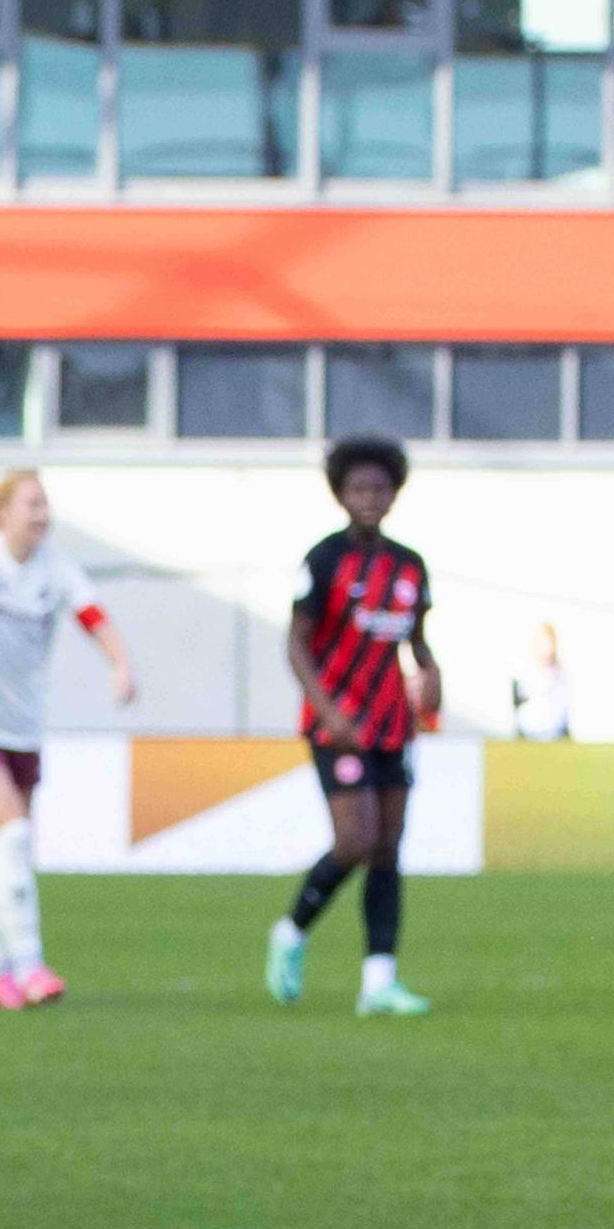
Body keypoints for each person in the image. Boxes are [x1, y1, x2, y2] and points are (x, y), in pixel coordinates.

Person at [0, 470, 133, 1011]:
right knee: (12, 833)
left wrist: (120, 664)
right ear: (1, 513)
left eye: (45, 506)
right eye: (32, 505)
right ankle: (32, 965)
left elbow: (93, 616)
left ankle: (0, 975)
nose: (42, 515)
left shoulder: (55, 569)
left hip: (22, 728)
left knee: (6, 850)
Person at [268, 435, 438, 1017]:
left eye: (380, 488)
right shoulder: (324, 560)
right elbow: (295, 644)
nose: (370, 498)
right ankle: (291, 931)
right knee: (355, 841)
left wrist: (431, 669)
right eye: (359, 488)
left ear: (395, 493)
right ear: (340, 493)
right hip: (337, 726)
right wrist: (328, 708)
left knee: (388, 849)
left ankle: (379, 981)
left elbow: (415, 641)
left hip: (393, 723)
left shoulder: (409, 565)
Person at [510, 620, 569, 742]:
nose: (547, 646)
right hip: (528, 735)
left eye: (549, 641)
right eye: (543, 641)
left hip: (556, 736)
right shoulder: (524, 672)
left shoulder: (561, 673)